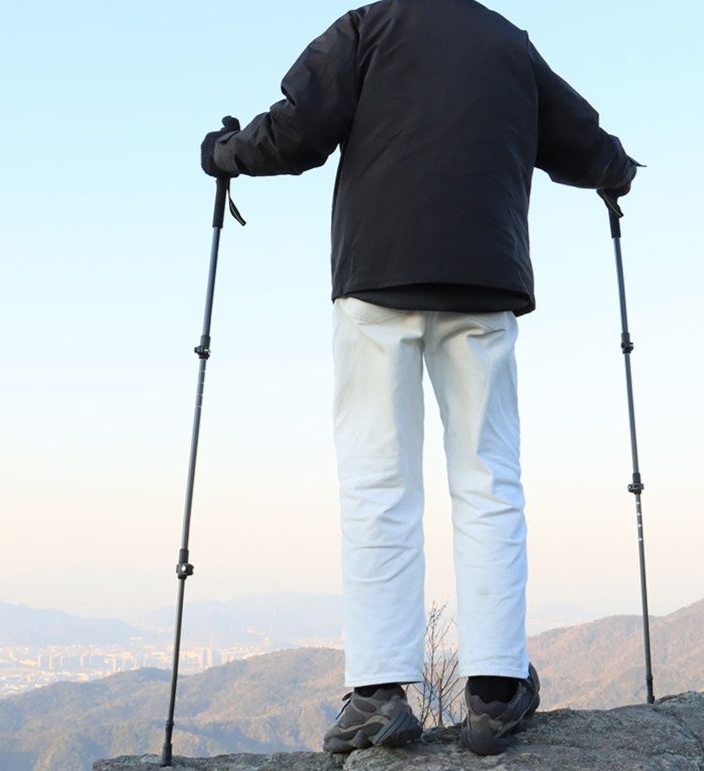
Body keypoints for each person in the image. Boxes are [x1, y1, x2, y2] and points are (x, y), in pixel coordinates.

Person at [200, 0, 638, 757]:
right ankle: (496, 691)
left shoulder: (366, 30)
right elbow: (582, 139)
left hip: (377, 279)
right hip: (485, 281)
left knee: (378, 480)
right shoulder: (507, 44)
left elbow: (297, 131)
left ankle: (376, 694)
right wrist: (617, 172)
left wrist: (223, 153)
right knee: (489, 477)